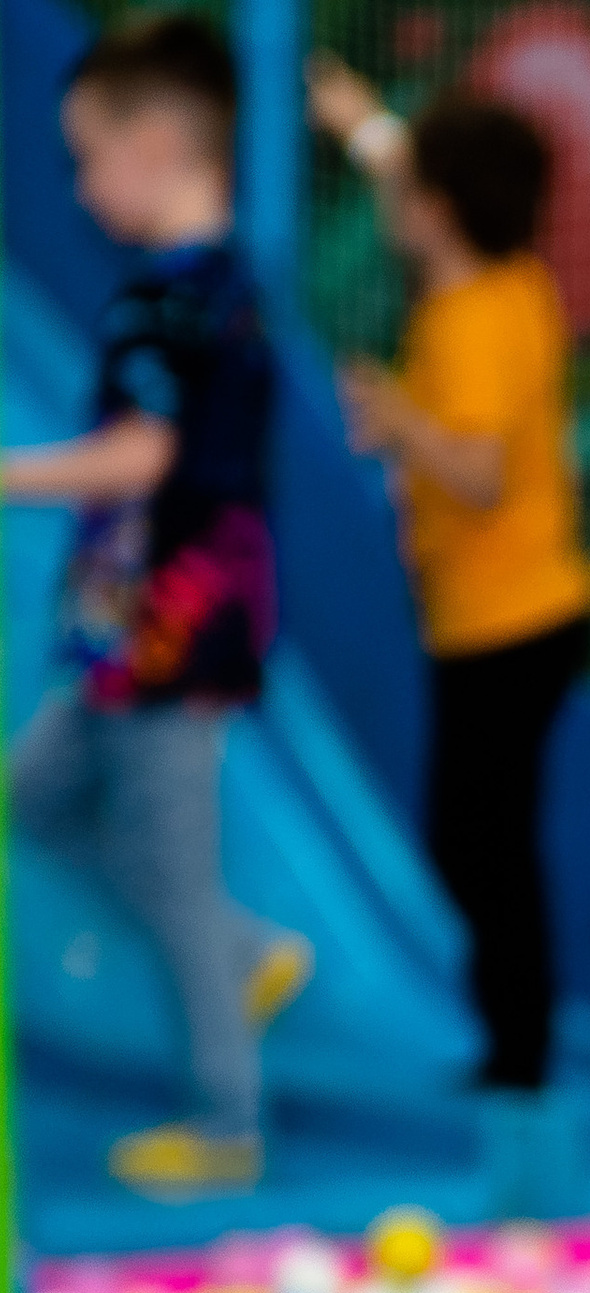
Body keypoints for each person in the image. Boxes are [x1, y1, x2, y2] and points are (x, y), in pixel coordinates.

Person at [3, 12, 310, 1201]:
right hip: (130, 628)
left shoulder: (176, 302)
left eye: (90, 156)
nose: (82, 187)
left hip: (173, 628)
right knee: (36, 800)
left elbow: (145, 455)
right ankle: (239, 950)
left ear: (161, 144)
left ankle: (227, 1120)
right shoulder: (214, 290)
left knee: (170, 860)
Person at [307, 60, 590, 1204]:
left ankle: (520, 1060)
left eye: (410, 188)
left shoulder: (476, 318)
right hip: (507, 617)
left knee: (486, 846)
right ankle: (510, 1048)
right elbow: (416, 176)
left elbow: (478, 471)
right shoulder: (508, 279)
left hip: (511, 623)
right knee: (480, 839)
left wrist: (397, 418)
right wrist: (365, 127)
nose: (395, 201)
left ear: (439, 210)